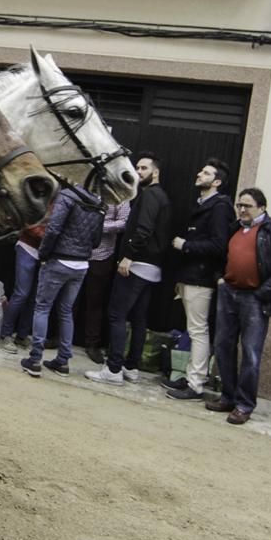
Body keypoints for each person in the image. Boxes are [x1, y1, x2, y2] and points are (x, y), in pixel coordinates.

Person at [205, 189, 271, 424]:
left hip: (255, 299)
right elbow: (221, 254)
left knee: (250, 352)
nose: (241, 210)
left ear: (261, 207)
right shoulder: (234, 227)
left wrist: (263, 292)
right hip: (229, 293)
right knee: (223, 346)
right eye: (239, 205)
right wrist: (220, 278)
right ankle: (228, 397)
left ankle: (244, 405)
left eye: (247, 206)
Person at [85, 153, 171, 386]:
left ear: (155, 172)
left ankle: (113, 369)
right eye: (137, 167)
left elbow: (143, 230)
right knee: (139, 318)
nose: (138, 171)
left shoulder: (151, 196)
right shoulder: (160, 196)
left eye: (143, 168)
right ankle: (131, 367)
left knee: (117, 314)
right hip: (151, 267)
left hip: (138, 264)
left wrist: (128, 257)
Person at [163, 159, 234, 401]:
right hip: (191, 276)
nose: (198, 174)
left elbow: (219, 245)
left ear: (217, 182)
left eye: (205, 173)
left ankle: (195, 384)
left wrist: (186, 245)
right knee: (195, 330)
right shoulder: (204, 204)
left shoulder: (220, 207)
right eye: (200, 170)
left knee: (198, 331)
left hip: (201, 278)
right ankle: (192, 376)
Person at [20, 185, 104, 377]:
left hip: (59, 260)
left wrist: (43, 253)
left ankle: (34, 359)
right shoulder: (99, 203)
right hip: (81, 264)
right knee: (66, 311)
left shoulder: (67, 196)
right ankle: (63, 361)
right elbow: (97, 241)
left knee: (42, 307)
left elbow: (53, 228)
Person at [78, 200, 130, 364]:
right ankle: (59, 336)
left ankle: (92, 344)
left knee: (95, 303)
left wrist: (100, 226)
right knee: (69, 300)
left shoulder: (120, 196)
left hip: (102, 256)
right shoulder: (87, 190)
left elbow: (124, 222)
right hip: (77, 252)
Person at [0, 222, 45, 354]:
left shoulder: (60, 202)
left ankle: (22, 336)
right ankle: (5, 335)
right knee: (21, 293)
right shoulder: (42, 201)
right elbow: (27, 221)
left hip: (45, 252)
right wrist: (47, 235)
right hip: (27, 247)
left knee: (34, 297)